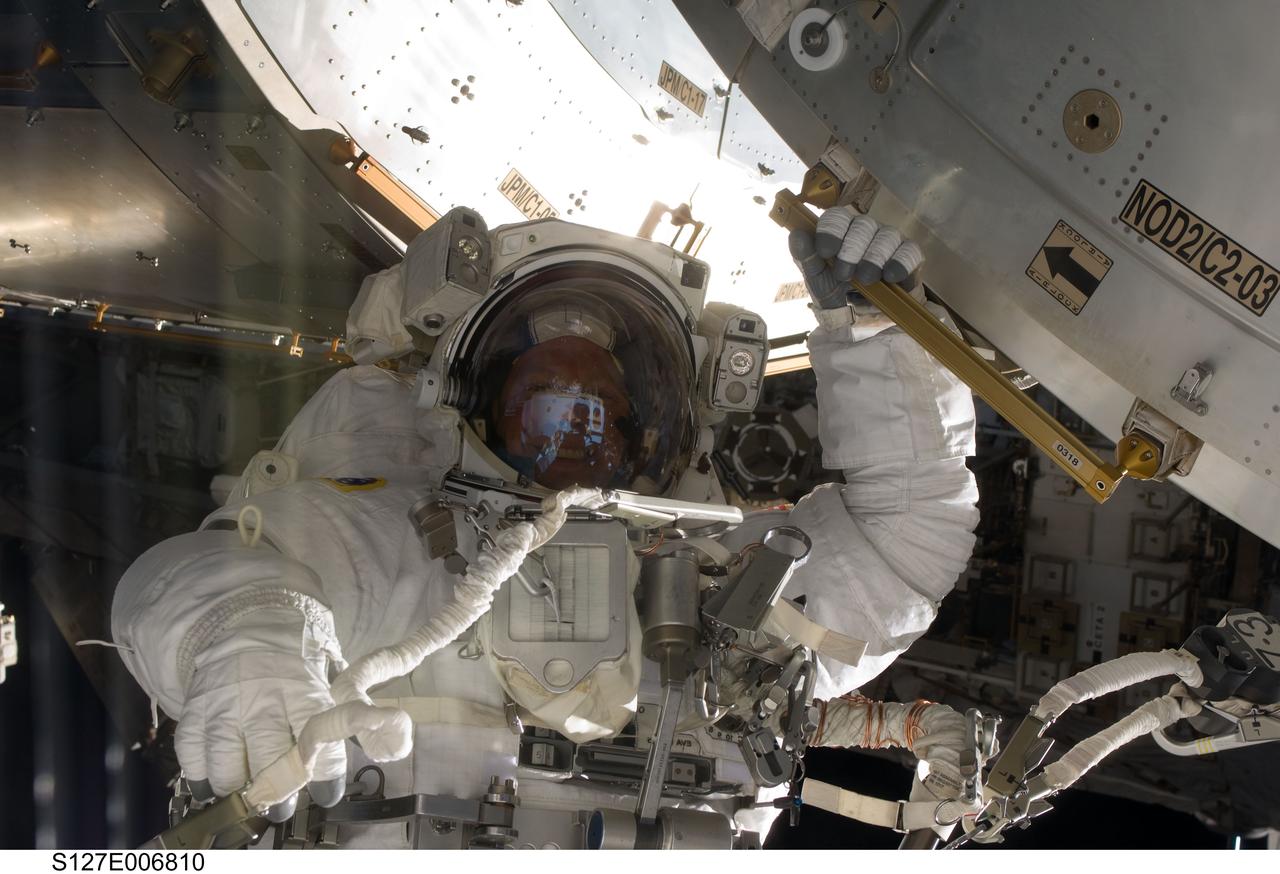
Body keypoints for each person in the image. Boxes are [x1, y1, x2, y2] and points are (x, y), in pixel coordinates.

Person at [110, 205, 980, 847]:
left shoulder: (714, 579)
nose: (571, 430)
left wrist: (878, 335)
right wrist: (245, 640)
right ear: (477, 413)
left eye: (599, 406)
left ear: (655, 434)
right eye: (541, 404)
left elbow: (901, 539)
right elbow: (200, 584)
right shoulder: (399, 541)